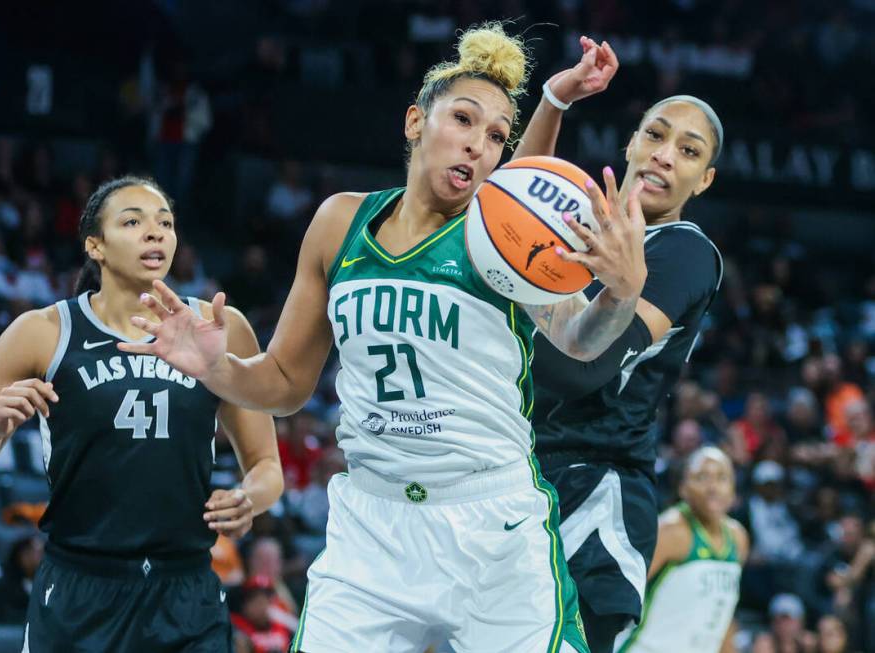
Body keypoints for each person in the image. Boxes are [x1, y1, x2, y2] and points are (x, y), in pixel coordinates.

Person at [122, 22, 648, 652]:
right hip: (371, 528)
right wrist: (216, 368)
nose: (477, 145)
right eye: (462, 119)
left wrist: (620, 289)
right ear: (414, 123)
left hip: (493, 527)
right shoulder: (340, 221)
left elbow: (581, 339)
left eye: (496, 137)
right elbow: (286, 384)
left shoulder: (500, 247)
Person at [0, 176, 283, 652]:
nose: (155, 232)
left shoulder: (221, 329)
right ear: (94, 245)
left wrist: (248, 497)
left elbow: (267, 468)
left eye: (165, 222)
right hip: (80, 590)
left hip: (186, 593)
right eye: (133, 221)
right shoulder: (41, 333)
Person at [515, 35, 726, 651]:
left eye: (688, 151)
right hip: (516, 472)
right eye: (656, 135)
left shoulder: (684, 251)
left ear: (703, 179)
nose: (665, 155)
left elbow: (584, 368)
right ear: (631, 142)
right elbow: (512, 197)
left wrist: (519, 276)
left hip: (593, 490)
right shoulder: (583, 220)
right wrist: (556, 97)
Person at [617, 447, 748, 652]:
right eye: (702, 477)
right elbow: (619, 597)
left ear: (733, 488)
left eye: (722, 478)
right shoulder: (670, 532)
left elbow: (723, 614)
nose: (713, 487)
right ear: (683, 488)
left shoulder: (738, 538)